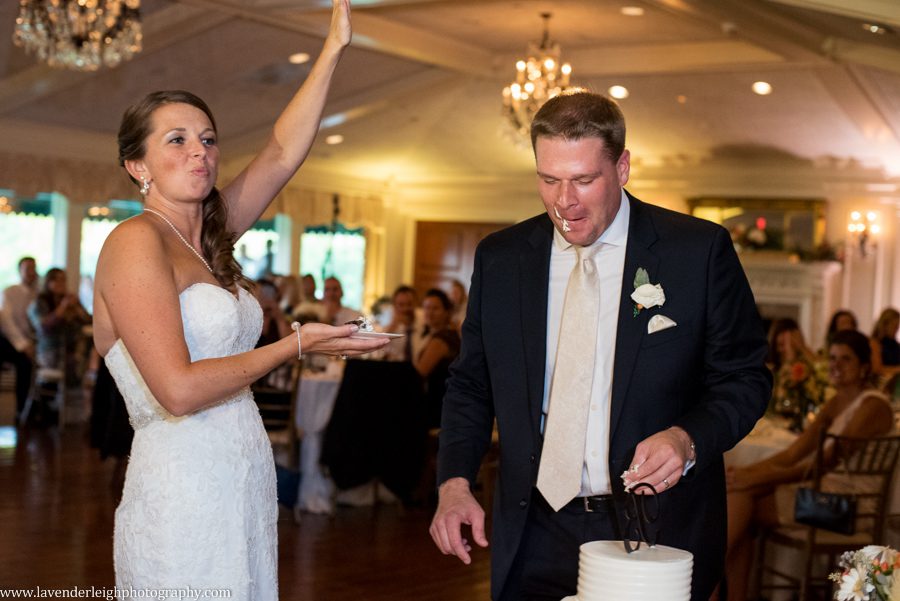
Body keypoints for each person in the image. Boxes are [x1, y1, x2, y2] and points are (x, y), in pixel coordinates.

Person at [91, 0, 387, 592]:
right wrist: (294, 345)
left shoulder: (209, 236)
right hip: (182, 491)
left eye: (207, 138)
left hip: (242, 479)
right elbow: (176, 390)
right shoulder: (134, 241)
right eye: (176, 140)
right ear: (136, 165)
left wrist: (333, 49)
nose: (199, 151)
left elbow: (280, 154)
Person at [429, 91, 771, 601]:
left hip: (652, 529)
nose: (564, 201)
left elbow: (745, 377)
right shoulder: (501, 259)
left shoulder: (696, 251)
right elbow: (471, 384)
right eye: (549, 180)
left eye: (584, 180)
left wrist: (686, 439)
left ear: (623, 167)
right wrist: (455, 481)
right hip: (531, 529)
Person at [722, 330, 893, 600]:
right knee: (739, 494)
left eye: (845, 359)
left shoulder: (873, 406)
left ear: (863, 367)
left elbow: (823, 464)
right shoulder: (837, 401)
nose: (836, 365)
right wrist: (745, 474)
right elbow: (792, 454)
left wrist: (753, 479)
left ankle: (708, 583)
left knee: (742, 497)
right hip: (822, 495)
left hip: (848, 507)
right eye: (833, 358)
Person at [413, 288, 461, 429]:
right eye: (426, 307)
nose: (429, 312)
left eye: (435, 308)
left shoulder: (442, 338)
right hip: (443, 401)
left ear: (447, 312)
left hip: (437, 404)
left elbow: (419, 373)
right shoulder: (444, 334)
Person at [28, 268, 91, 372]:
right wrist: (62, 307)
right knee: (80, 360)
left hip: (71, 349)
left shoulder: (70, 301)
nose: (61, 283)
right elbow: (43, 328)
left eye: (63, 280)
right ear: (48, 282)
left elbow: (89, 321)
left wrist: (77, 308)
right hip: (51, 351)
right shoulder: (39, 303)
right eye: (57, 280)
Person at [0, 256, 37, 421]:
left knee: (26, 367)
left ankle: (23, 410)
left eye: (33, 268)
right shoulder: (9, 292)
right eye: (27, 268)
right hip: (9, 341)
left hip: (30, 342)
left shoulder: (38, 294)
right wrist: (23, 345)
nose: (31, 272)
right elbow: (6, 322)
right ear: (20, 271)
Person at [383, 285, 419, 362]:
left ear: (416, 304)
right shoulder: (387, 327)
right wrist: (393, 327)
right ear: (394, 306)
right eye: (401, 305)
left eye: (409, 304)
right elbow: (379, 352)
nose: (405, 309)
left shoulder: (424, 325)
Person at [870, 308, 900, 380]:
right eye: (894, 326)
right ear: (884, 325)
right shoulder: (874, 343)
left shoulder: (896, 345)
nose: (896, 329)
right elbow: (877, 369)